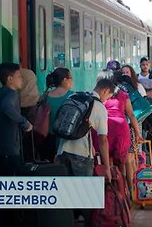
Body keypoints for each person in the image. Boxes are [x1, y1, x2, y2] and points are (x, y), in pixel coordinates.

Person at [56, 78, 115, 227]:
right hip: (81, 156)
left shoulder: (75, 97)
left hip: (62, 152)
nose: (107, 99)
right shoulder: (99, 107)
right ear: (105, 91)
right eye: (108, 96)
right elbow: (103, 140)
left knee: (66, 194)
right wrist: (107, 168)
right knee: (86, 197)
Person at [97, 69, 142, 193]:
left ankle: (111, 191)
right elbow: (131, 115)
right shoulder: (122, 94)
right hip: (121, 130)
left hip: (104, 130)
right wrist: (138, 133)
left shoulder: (99, 95)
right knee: (122, 163)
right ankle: (126, 191)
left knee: (107, 161)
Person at [0, 62, 33, 176]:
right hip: (9, 149)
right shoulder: (12, 94)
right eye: (19, 76)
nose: (21, 79)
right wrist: (25, 123)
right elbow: (6, 107)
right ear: (10, 79)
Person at [40, 68, 74, 162]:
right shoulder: (72, 96)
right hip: (66, 140)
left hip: (48, 138)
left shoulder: (46, 96)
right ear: (64, 80)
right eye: (71, 77)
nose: (72, 80)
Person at [18, 68, 40, 161]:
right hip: (33, 107)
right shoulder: (30, 73)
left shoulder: (18, 74)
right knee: (29, 139)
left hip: (21, 106)